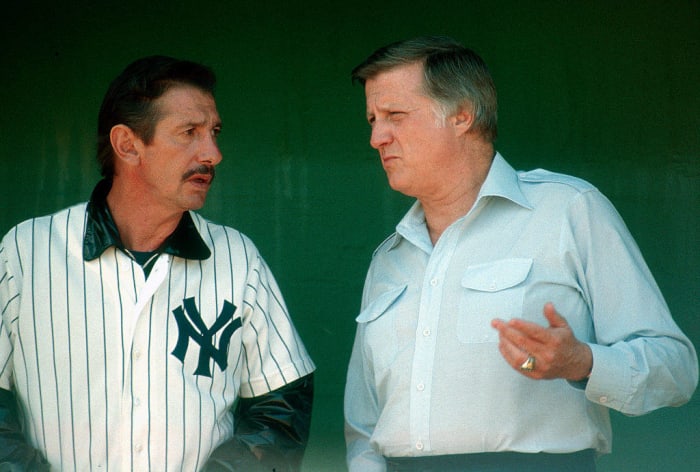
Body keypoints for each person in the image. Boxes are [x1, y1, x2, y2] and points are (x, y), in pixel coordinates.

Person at [344, 35, 698, 472]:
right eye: (372, 120)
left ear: (461, 114)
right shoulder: (388, 259)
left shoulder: (568, 210)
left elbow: (675, 367)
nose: (377, 137)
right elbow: (363, 426)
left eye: (395, 115)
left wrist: (584, 363)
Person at [0, 55, 315, 471]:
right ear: (128, 145)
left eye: (214, 132)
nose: (213, 153)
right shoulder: (27, 250)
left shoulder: (238, 257)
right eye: (190, 132)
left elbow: (281, 408)